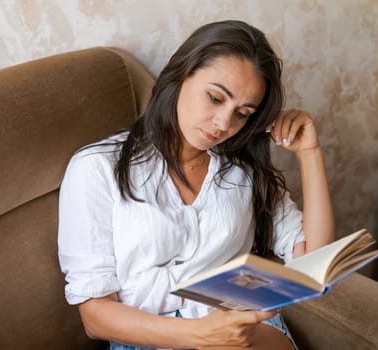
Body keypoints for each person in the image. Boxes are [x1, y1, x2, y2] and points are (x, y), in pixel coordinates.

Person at [58, 20, 334, 350]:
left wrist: (310, 153)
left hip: (241, 322)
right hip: (151, 337)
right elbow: (95, 317)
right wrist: (199, 335)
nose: (223, 124)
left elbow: (315, 264)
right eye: (215, 98)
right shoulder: (98, 168)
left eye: (242, 113)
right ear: (181, 73)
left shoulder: (243, 169)